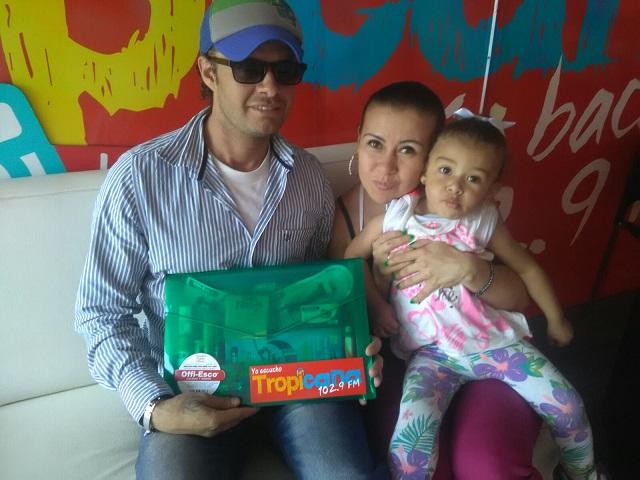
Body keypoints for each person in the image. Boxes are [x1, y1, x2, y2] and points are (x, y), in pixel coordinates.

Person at [74, 2, 385, 479]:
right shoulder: (140, 179)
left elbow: (321, 295)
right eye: (248, 68)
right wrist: (155, 407)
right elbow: (100, 313)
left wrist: (353, 345)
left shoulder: (308, 179)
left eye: (285, 71)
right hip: (190, 393)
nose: (270, 87)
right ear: (208, 71)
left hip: (297, 387)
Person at [345, 110, 598, 479]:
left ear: (492, 190)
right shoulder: (396, 218)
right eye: (446, 170)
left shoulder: (483, 220)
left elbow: (527, 269)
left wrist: (556, 318)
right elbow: (349, 260)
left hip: (496, 345)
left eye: (473, 178)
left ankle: (581, 473)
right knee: (409, 446)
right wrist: (376, 299)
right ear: (425, 171)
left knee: (569, 407)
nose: (455, 187)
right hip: (432, 354)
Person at [329, 81, 544, 479]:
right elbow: (340, 314)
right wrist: (379, 277)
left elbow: (519, 297)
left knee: (487, 465)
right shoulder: (342, 219)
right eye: (375, 143)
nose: (386, 166)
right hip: (404, 362)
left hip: (484, 346)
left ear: (433, 157)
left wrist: (471, 269)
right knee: (418, 460)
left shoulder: (461, 207)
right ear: (358, 139)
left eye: (408, 150)